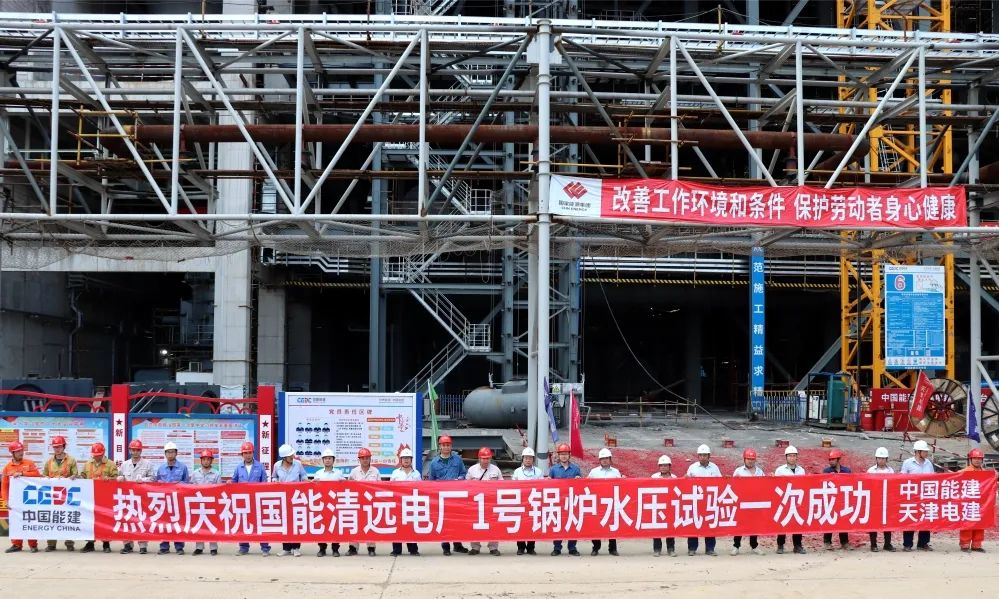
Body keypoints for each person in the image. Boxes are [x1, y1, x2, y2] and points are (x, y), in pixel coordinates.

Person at [426, 434, 470, 555]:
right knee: (444, 521)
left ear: (451, 446)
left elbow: (463, 474)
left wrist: (459, 479)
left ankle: (457, 545)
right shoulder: (434, 463)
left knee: (457, 521)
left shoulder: (457, 460)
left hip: (456, 496)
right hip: (442, 498)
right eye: (444, 445)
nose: (446, 447)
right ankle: (445, 546)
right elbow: (431, 480)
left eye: (448, 445)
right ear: (440, 446)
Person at [230, 441, 271, 557]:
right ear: (242, 454)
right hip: (243, 502)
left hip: (257, 501)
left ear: (253, 453)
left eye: (249, 452)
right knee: (243, 524)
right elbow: (234, 482)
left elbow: (264, 483)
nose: (248, 455)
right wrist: (229, 483)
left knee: (261, 525)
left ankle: (265, 547)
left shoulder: (260, 466)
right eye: (245, 453)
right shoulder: (238, 468)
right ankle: (243, 547)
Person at [119, 439, 156, 554]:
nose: (135, 452)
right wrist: (120, 479)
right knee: (126, 520)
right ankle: (127, 545)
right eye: (133, 450)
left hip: (142, 497)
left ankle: (143, 545)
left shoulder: (147, 464)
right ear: (130, 450)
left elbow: (153, 479)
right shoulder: (124, 465)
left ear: (141, 451)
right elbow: (120, 477)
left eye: (137, 450)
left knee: (142, 521)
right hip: (127, 497)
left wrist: (143, 480)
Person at [80, 442, 118, 553]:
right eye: (95, 455)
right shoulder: (88, 464)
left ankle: (106, 543)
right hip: (90, 497)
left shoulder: (110, 464)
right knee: (89, 520)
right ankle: (90, 543)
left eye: (99, 455)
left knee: (104, 520)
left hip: (104, 497)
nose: (96, 457)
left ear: (103, 453)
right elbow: (82, 476)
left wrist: (109, 479)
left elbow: (116, 478)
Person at [3, 441, 40, 553]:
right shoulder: (7, 468)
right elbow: (4, 486)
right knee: (16, 522)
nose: (20, 453)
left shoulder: (29, 463)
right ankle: (16, 544)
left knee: (30, 521)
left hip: (30, 500)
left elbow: (37, 475)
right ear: (12, 453)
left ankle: (33, 545)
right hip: (15, 501)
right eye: (17, 451)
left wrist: (22, 474)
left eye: (21, 450)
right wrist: (5, 500)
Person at [42, 435, 78, 552]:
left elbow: (76, 474)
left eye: (59, 446)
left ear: (64, 446)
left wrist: (72, 477)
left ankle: (69, 543)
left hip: (66, 495)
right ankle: (51, 544)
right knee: (52, 518)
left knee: (67, 518)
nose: (57, 449)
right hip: (52, 496)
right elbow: (44, 475)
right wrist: (46, 478)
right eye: (55, 447)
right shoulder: (49, 462)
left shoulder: (71, 460)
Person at [685, 444, 721, 556]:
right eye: (700, 455)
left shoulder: (714, 468)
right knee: (693, 524)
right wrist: (685, 478)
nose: (702, 457)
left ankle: (710, 548)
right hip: (695, 500)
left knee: (709, 524)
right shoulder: (692, 467)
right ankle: (692, 548)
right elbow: (686, 482)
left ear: (709, 456)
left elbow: (720, 482)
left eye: (705, 455)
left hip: (710, 500)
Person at [466, 447, 503, 556]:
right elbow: (466, 485)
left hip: (492, 502)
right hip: (476, 503)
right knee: (475, 524)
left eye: (487, 458)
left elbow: (502, 485)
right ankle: (475, 547)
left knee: (493, 524)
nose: (485, 461)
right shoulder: (472, 470)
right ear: (479, 458)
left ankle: (493, 547)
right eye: (483, 458)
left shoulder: (496, 470)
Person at [900, 439, 935, 551]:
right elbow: (901, 479)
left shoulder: (928, 463)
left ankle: (923, 543)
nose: (926, 453)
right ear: (918, 452)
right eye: (924, 451)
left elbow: (933, 478)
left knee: (925, 518)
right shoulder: (908, 463)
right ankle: (907, 544)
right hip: (912, 496)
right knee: (910, 518)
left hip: (926, 496)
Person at [272, 443, 307, 557]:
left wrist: (308, 482)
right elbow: (273, 477)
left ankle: (296, 547)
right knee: (285, 522)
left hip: (296, 497)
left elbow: (304, 477)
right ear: (284, 457)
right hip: (283, 498)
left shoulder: (298, 464)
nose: (292, 457)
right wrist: (275, 481)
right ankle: (286, 548)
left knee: (296, 522)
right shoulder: (277, 465)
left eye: (292, 454)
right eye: (290, 455)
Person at [156, 441, 190, 555]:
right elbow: (156, 483)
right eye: (168, 452)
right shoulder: (161, 468)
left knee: (178, 524)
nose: (170, 454)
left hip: (178, 500)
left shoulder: (183, 467)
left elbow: (187, 483)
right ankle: (164, 546)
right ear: (165, 454)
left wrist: (178, 484)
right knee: (164, 523)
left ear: (176, 453)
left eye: (172, 452)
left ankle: (179, 547)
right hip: (164, 501)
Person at [588, 447, 622, 556]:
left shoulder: (616, 472)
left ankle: (612, 549)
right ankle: (595, 547)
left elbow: (622, 486)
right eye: (602, 458)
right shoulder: (594, 472)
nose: (604, 460)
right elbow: (586, 484)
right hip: (597, 503)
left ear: (610, 459)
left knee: (612, 525)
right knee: (595, 526)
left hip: (612, 503)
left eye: (606, 458)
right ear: (599, 460)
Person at [549, 442, 582, 556]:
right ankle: (557, 547)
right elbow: (548, 486)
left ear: (569, 455)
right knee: (557, 524)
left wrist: (579, 480)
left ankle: (572, 548)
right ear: (558, 455)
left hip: (572, 501)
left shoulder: (576, 469)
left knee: (572, 524)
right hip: (558, 502)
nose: (563, 456)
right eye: (561, 454)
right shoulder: (553, 470)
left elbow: (581, 486)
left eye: (566, 454)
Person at [347, 447, 381, 556]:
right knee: (355, 524)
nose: (365, 460)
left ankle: (371, 548)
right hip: (357, 503)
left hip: (371, 503)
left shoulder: (375, 471)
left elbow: (380, 487)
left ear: (370, 458)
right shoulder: (354, 471)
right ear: (359, 459)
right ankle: (353, 547)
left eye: (367, 458)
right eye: (362, 458)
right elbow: (348, 486)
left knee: (370, 524)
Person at [731, 448, 764, 556]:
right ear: (744, 459)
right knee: (740, 524)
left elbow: (766, 485)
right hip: (742, 502)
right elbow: (732, 486)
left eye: (752, 459)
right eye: (748, 459)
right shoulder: (739, 471)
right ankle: (736, 546)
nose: (750, 461)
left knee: (754, 525)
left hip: (755, 502)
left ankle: (754, 546)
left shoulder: (759, 472)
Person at [511, 447, 544, 555]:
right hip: (520, 502)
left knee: (532, 524)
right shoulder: (517, 472)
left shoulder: (538, 472)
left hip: (533, 503)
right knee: (520, 524)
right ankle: (520, 547)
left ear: (533, 459)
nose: (528, 460)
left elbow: (542, 487)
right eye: (526, 458)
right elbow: (512, 486)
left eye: (530, 458)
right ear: (522, 459)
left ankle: (531, 547)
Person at [774, 445, 806, 555]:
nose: (792, 458)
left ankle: (797, 546)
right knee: (782, 523)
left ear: (797, 457)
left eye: (794, 456)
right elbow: (776, 485)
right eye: (790, 456)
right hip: (784, 500)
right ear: (786, 457)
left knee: (797, 523)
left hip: (797, 500)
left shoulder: (801, 470)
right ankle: (780, 545)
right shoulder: (780, 470)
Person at [389, 448, 421, 557]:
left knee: (411, 527)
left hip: (412, 504)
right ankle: (396, 550)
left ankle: (413, 549)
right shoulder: (395, 473)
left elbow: (421, 489)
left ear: (411, 460)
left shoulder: (416, 474)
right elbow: (390, 488)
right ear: (400, 460)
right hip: (398, 504)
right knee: (398, 526)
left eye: (408, 458)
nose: (406, 460)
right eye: (404, 458)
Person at [313, 447, 344, 557]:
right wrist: (313, 483)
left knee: (335, 526)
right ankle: (322, 548)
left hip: (335, 503)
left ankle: (335, 549)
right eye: (325, 458)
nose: (327, 460)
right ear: (323, 460)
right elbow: (313, 488)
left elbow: (345, 486)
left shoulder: (339, 473)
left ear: (333, 460)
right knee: (322, 525)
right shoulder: (318, 474)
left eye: (330, 458)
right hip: (322, 504)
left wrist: (343, 482)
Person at [190, 449, 221, 556]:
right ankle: (199, 547)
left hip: (211, 504)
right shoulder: (195, 474)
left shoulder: (216, 474)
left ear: (211, 461)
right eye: (204, 459)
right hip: (198, 504)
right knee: (199, 525)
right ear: (201, 461)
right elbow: (191, 488)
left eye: (208, 459)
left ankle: (213, 548)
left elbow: (219, 490)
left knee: (212, 525)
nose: (206, 461)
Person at [866, 447, 896, 552]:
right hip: (874, 500)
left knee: (888, 523)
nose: (881, 460)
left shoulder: (890, 471)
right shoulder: (871, 471)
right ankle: (873, 544)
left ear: (886, 459)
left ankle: (887, 544)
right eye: (879, 458)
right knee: (873, 523)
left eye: (883, 458)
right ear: (876, 459)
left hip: (887, 500)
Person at [822, 449, 852, 550]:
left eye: (833, 459)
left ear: (838, 460)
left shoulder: (847, 471)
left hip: (843, 499)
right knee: (829, 520)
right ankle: (827, 542)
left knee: (843, 521)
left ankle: (844, 542)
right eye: (830, 460)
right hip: (831, 499)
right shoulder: (826, 471)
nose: (831, 461)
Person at [960, 448, 987, 553]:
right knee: (967, 523)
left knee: (980, 523)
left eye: (979, 458)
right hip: (968, 502)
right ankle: (965, 544)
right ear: (970, 459)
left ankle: (977, 545)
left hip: (981, 503)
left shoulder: (986, 473)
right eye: (975, 458)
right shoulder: (965, 471)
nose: (977, 460)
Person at [651, 454, 677, 557]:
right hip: (657, 506)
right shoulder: (654, 477)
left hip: (670, 506)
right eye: (661, 465)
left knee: (670, 528)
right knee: (657, 529)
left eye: (665, 465)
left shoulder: (674, 478)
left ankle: (671, 549)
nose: (663, 467)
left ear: (669, 466)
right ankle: (657, 549)